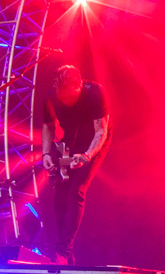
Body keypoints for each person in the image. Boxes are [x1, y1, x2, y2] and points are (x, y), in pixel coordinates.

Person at [40, 65, 111, 265]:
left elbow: (101, 131)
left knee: (76, 191)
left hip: (95, 143)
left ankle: (62, 251)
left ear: (79, 85)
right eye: (61, 96)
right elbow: (48, 126)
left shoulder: (96, 93)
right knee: (59, 197)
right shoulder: (50, 97)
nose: (64, 101)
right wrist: (46, 153)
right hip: (71, 142)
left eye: (69, 96)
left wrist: (87, 156)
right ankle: (66, 257)